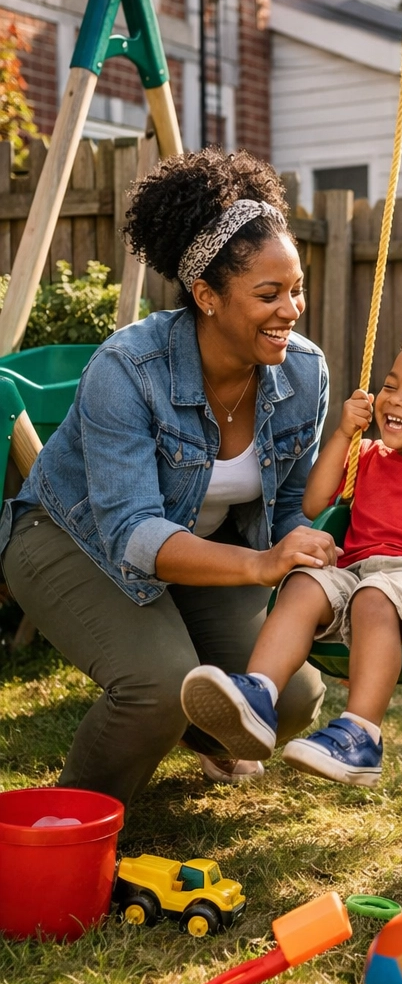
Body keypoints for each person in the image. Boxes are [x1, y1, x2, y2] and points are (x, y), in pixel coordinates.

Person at [0, 148, 337, 805]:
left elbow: (293, 501)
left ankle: (205, 732)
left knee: (293, 696)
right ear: (207, 297)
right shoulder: (128, 369)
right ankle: (73, 826)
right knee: (158, 683)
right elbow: (131, 531)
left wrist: (317, 559)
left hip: (195, 552)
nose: (291, 310)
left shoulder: (304, 373)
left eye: (297, 288)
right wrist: (262, 566)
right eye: (268, 294)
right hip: (71, 539)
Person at [180, 326, 402, 786]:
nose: (395, 400)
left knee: (374, 596)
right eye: (390, 386)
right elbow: (314, 504)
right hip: (354, 568)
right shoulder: (366, 454)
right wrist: (346, 432)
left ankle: (362, 734)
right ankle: (258, 695)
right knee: (304, 583)